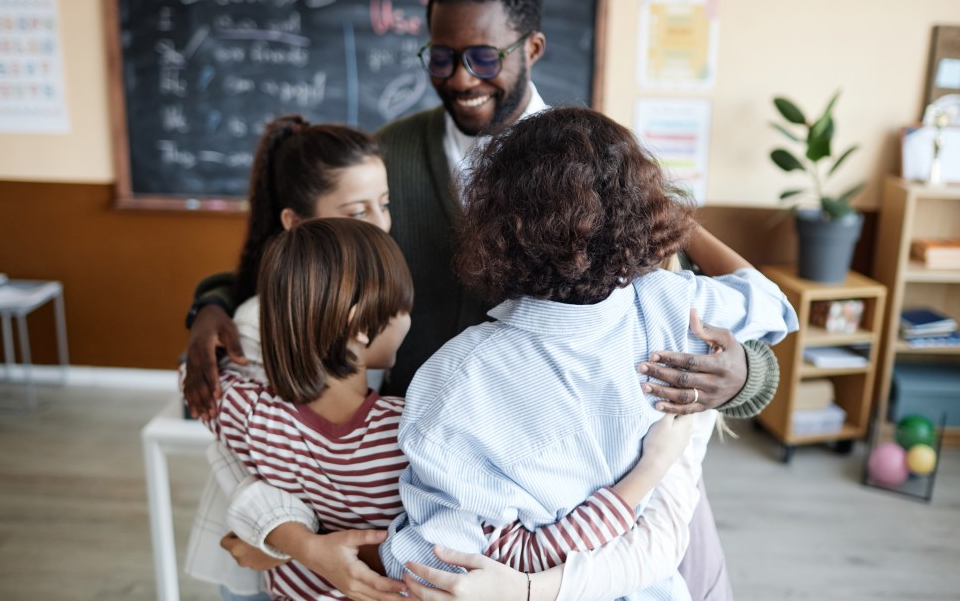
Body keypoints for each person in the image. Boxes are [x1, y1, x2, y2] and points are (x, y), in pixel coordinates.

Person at [182, 0, 783, 599]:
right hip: (436, 480)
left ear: (532, 48)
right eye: (441, 58)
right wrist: (211, 304)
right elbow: (309, 262)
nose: (462, 77)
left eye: (484, 58)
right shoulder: (390, 155)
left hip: (606, 492)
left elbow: (700, 323)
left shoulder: (604, 170)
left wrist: (745, 377)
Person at [381, 106, 798, 601]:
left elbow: (431, 563)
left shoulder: (454, 378)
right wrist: (670, 220)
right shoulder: (673, 306)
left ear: (496, 226)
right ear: (640, 211)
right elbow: (773, 305)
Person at [200, 216, 698, 601]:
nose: (408, 319)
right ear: (360, 325)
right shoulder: (408, 433)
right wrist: (646, 475)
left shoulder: (246, 412)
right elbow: (516, 556)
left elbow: (199, 382)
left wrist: (206, 320)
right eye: (402, 307)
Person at [182, 115, 391, 600]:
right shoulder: (259, 325)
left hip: (336, 565)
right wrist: (296, 544)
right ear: (295, 224)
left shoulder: (374, 302)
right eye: (357, 212)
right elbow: (244, 454)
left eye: (384, 205)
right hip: (260, 552)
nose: (381, 225)